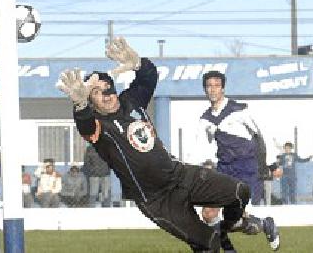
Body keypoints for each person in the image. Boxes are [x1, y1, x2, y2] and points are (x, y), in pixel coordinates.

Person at [57, 36, 280, 252]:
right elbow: (84, 123)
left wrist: (137, 62)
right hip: (157, 199)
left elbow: (149, 76)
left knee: (240, 192)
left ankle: (234, 223)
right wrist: (79, 104)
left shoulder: (131, 100)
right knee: (209, 243)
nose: (106, 94)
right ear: (91, 101)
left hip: (180, 175)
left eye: (107, 87)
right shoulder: (99, 126)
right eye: (96, 92)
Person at [199, 70, 283, 219]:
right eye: (209, 86)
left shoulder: (239, 109)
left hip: (246, 167)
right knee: (208, 213)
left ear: (223, 88)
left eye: (217, 86)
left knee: (242, 216)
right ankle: (216, 241)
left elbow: (262, 133)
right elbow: (206, 146)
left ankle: (265, 225)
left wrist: (272, 164)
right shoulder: (205, 119)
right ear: (205, 89)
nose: (213, 89)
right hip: (224, 169)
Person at [83, 143, 113, 207]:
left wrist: (107, 169)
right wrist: (92, 170)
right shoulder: (90, 149)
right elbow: (86, 162)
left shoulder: (107, 148)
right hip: (94, 176)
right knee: (93, 193)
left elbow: (112, 159)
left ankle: (107, 209)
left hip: (105, 174)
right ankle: (92, 208)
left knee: (106, 193)